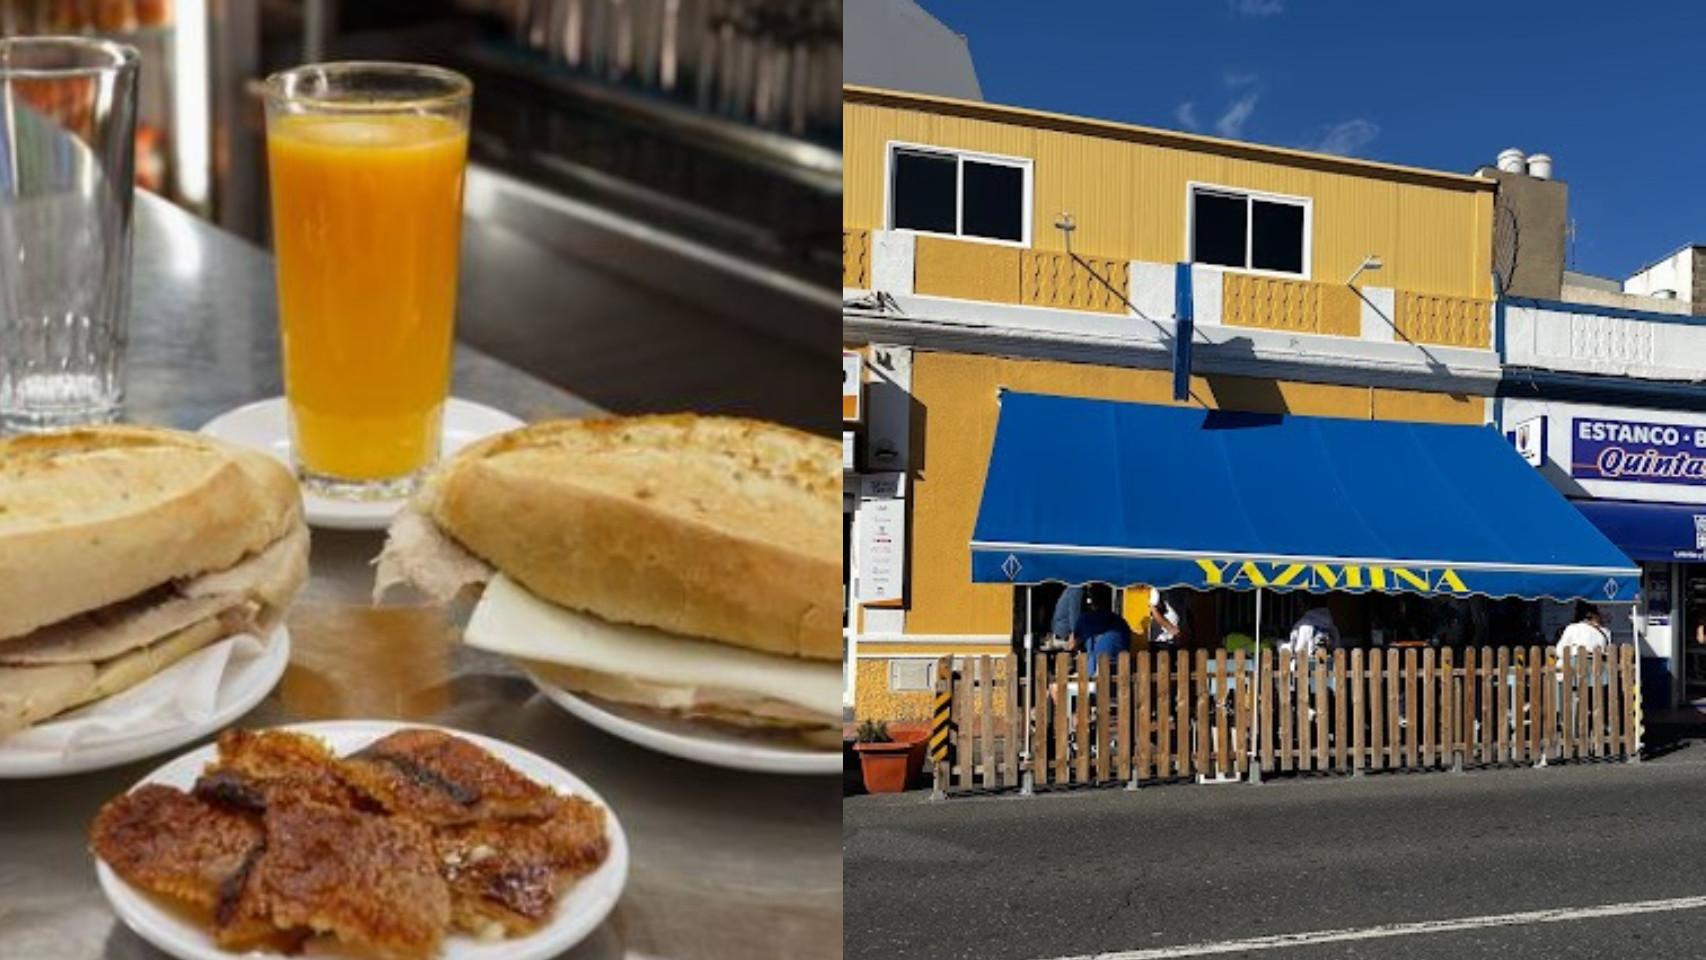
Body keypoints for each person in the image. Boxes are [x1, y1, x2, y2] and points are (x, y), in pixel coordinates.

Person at [1069, 592, 1131, 678]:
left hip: (1096, 670)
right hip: (1120, 671)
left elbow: (1072, 645)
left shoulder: (1085, 619)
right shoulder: (1121, 622)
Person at [1049, 585, 1085, 650]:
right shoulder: (1076, 590)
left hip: (1059, 633)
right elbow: (1074, 614)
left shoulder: (1069, 590)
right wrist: (1075, 634)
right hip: (1065, 637)